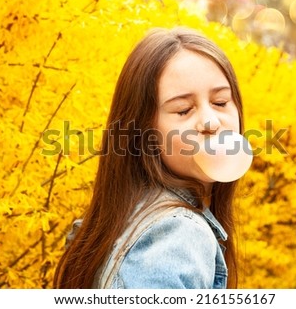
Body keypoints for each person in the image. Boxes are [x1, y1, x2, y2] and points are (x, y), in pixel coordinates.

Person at [54, 27, 244, 289]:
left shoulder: (125, 217)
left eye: (221, 102)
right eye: (184, 110)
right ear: (144, 132)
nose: (210, 122)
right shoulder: (178, 234)